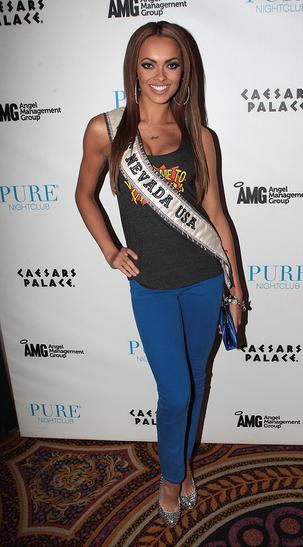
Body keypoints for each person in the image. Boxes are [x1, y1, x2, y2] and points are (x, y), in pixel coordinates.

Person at [75, 20, 244, 528]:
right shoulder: (106, 130)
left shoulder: (200, 136)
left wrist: (236, 288)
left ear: (184, 71)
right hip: (152, 287)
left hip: (203, 280)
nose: (160, 75)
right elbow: (84, 195)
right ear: (134, 68)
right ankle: (172, 476)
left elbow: (216, 212)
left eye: (171, 64)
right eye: (149, 64)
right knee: (174, 392)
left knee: (196, 381)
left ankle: (182, 465)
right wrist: (110, 250)